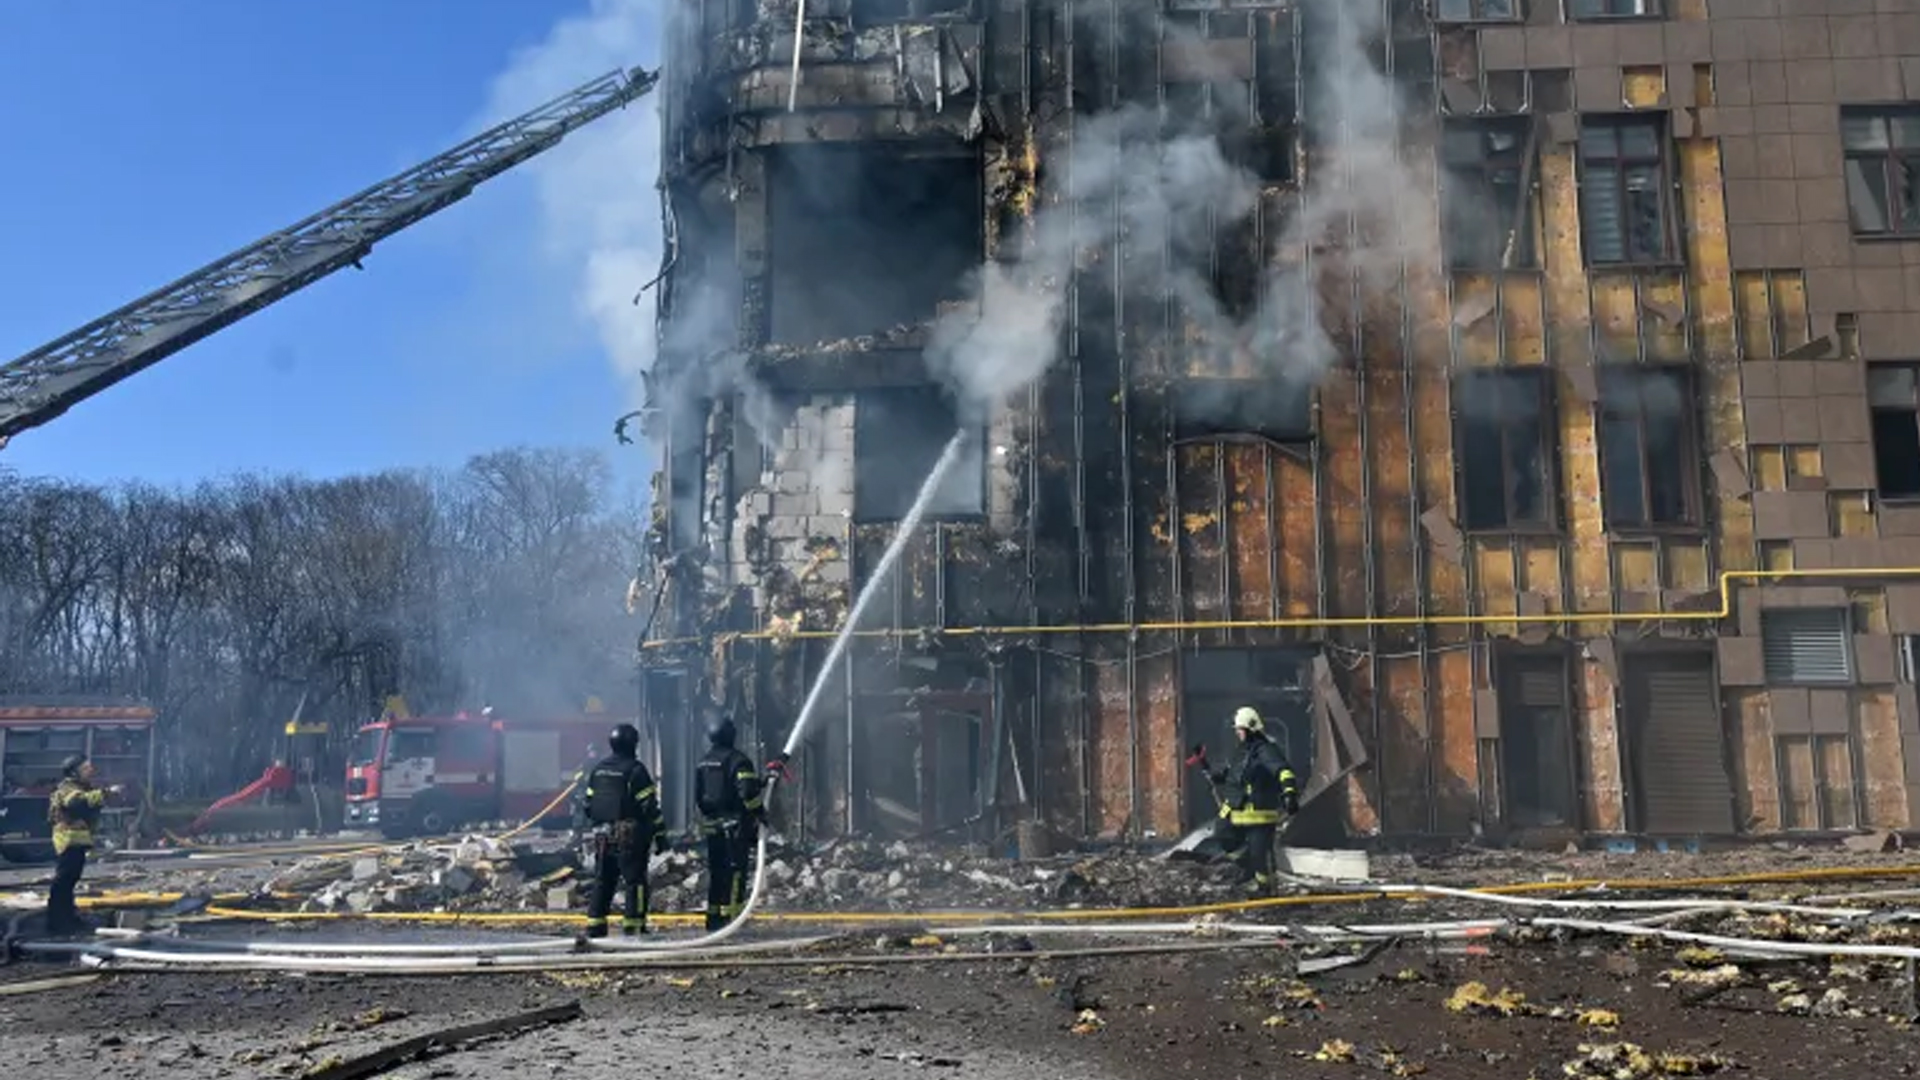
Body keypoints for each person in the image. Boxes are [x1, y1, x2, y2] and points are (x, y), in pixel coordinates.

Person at [1200, 707, 1300, 894]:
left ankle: (1265, 889)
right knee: (1223, 835)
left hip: (1259, 814)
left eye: (1240, 729)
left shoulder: (1266, 751)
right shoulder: (1243, 751)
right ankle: (1248, 867)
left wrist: (1290, 794)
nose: (1237, 733)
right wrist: (1207, 768)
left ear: (1250, 729)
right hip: (1237, 810)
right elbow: (1232, 775)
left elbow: (1283, 771)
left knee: (1259, 856)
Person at [580, 724, 666, 939]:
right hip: (629, 836)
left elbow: (588, 805)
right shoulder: (635, 770)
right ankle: (634, 926)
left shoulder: (598, 770)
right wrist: (660, 834)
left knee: (603, 880)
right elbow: (649, 807)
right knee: (634, 881)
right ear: (633, 744)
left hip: (602, 836)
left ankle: (595, 926)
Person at [695, 716, 764, 932]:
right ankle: (733, 920)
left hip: (712, 825)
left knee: (717, 871)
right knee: (735, 872)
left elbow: (699, 795)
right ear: (730, 735)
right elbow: (747, 792)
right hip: (735, 826)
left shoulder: (704, 761)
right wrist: (759, 812)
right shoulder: (738, 760)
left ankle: (714, 919)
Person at [47, 756, 120, 937]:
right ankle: (58, 922)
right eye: (86, 768)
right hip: (68, 840)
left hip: (76, 841)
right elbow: (77, 803)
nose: (91, 770)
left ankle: (68, 917)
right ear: (74, 771)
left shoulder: (79, 788)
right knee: (63, 881)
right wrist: (106, 793)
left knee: (70, 880)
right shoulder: (67, 788)